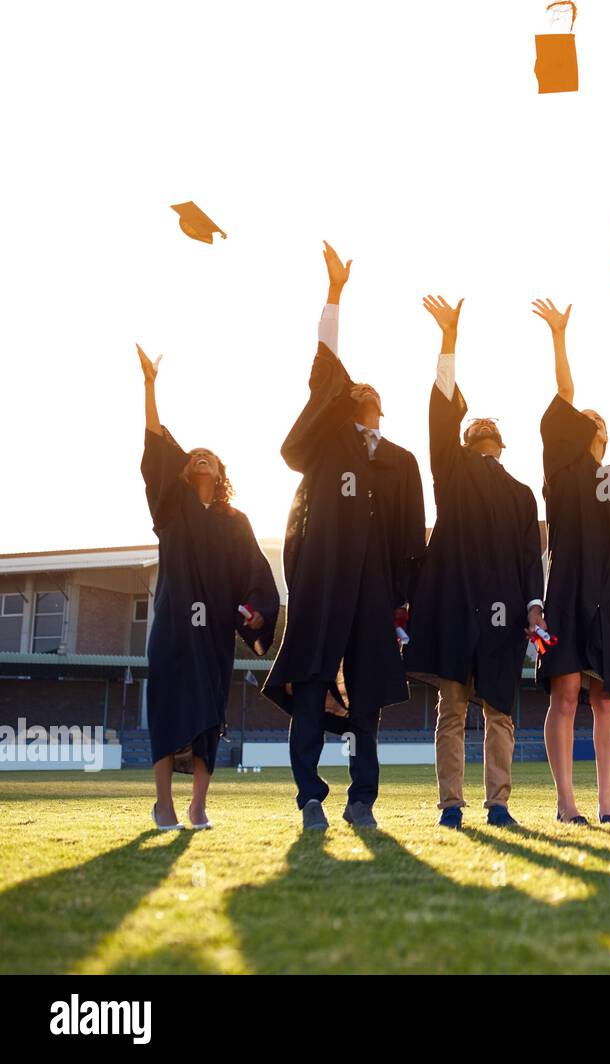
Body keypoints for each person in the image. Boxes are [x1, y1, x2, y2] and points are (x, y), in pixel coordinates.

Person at [264, 242, 426, 832]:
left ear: (382, 410)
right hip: (324, 584)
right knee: (309, 687)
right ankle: (309, 795)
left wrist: (402, 600)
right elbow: (326, 369)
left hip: (374, 596)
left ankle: (362, 798)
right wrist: (334, 296)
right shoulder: (329, 447)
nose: (362, 402)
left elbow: (413, 537)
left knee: (366, 705)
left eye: (370, 401)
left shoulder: (402, 463)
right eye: (354, 400)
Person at [405, 293, 545, 829]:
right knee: (454, 710)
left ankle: (499, 803)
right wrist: (448, 341)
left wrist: (534, 608)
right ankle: (451, 805)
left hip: (504, 613)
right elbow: (440, 417)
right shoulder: (453, 473)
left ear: (500, 445)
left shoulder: (521, 494)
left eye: (489, 429)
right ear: (467, 441)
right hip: (456, 605)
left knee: (500, 712)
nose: (482, 430)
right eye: (474, 428)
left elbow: (532, 558)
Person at [136, 344, 279, 830]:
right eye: (194, 456)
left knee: (206, 717)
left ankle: (197, 806)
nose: (200, 458)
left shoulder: (234, 521)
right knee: (167, 709)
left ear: (220, 474)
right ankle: (165, 806)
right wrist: (151, 386)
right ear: (184, 471)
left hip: (213, 633)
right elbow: (155, 443)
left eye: (209, 457)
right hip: (174, 627)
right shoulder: (170, 511)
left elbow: (255, 572)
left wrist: (258, 610)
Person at [532, 297, 610, 825]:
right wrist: (559, 336)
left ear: (604, 434)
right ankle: (565, 803)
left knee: (606, 701)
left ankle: (605, 805)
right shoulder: (561, 468)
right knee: (568, 693)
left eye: (594, 420)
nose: (585, 421)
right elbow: (565, 394)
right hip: (569, 591)